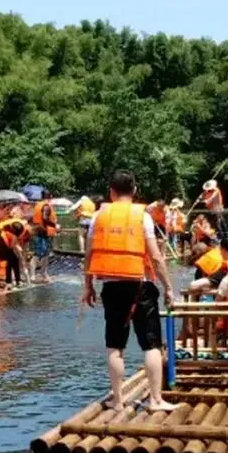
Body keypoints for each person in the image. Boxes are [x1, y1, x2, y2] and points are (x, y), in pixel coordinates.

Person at [83, 170, 177, 412]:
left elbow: (89, 254)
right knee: (151, 344)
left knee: (115, 346)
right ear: (134, 190)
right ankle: (155, 400)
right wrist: (168, 288)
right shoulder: (142, 217)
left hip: (111, 286)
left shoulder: (98, 217)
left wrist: (88, 286)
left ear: (111, 191)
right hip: (140, 286)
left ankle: (117, 400)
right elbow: (156, 257)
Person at [30, 190, 58, 283]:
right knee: (38, 254)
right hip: (42, 233)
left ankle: (42, 273)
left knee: (44, 254)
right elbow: (45, 218)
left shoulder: (38, 205)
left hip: (39, 232)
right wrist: (54, 224)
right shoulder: (46, 206)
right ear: (50, 196)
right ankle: (35, 275)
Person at [0, 218, 26, 287]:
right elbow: (11, 246)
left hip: (1, 253)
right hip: (7, 252)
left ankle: (10, 281)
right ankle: (17, 281)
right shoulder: (11, 235)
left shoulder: (1, 234)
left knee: (10, 264)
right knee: (15, 263)